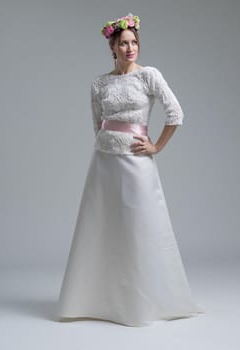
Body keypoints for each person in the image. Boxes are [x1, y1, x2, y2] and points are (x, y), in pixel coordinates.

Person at [57, 13, 205, 327]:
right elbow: (96, 124)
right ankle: (102, 300)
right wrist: (107, 145)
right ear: (112, 46)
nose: (130, 48)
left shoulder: (149, 75)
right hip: (104, 163)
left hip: (137, 164)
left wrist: (156, 147)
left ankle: (141, 304)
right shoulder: (99, 82)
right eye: (123, 43)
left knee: (140, 228)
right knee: (105, 228)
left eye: (134, 42)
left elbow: (175, 113)